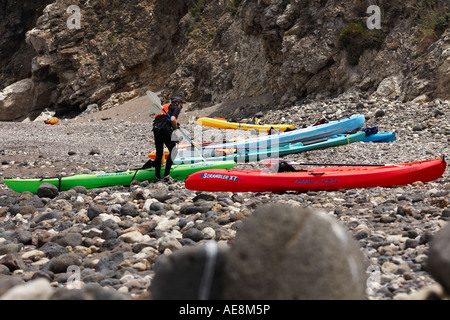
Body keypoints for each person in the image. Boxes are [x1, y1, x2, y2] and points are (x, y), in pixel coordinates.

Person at [152, 96, 185, 182]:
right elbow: (173, 119)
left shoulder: (165, 108)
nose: (181, 109)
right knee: (174, 150)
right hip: (164, 128)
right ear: (177, 103)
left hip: (156, 128)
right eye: (181, 106)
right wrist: (175, 129)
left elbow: (162, 119)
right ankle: (166, 175)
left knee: (159, 153)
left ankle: (157, 176)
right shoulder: (175, 107)